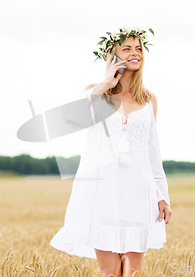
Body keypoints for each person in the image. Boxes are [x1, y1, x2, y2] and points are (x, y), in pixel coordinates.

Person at [50, 27, 172, 277]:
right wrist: (106, 83)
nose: (135, 52)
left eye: (138, 48)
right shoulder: (96, 94)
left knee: (133, 273)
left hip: (139, 193)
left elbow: (152, 152)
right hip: (103, 194)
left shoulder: (149, 99)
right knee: (110, 274)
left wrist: (162, 195)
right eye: (126, 48)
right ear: (113, 56)